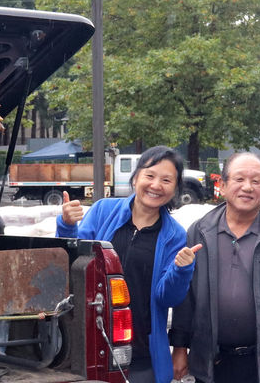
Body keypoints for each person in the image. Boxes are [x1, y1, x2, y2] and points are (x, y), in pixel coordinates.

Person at [56, 145, 201, 383]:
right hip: (87, 344)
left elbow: (167, 298)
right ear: (136, 178)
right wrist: (67, 226)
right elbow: (69, 265)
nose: (156, 185)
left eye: (166, 180)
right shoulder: (104, 210)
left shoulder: (174, 235)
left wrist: (182, 270)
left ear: (175, 188)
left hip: (140, 354)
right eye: (150, 175)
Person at [169, 152, 260, 383]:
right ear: (223, 186)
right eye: (239, 179)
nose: (247, 187)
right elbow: (187, 297)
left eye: (256, 181)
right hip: (210, 361)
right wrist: (179, 347)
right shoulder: (200, 232)